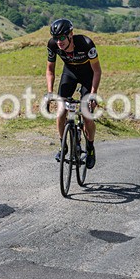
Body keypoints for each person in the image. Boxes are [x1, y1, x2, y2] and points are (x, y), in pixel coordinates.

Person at [44, 18, 101, 169]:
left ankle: (90, 148)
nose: (59, 42)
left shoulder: (86, 44)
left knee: (86, 113)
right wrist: (50, 93)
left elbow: (97, 71)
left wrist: (93, 94)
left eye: (62, 37)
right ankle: (63, 145)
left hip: (88, 75)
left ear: (71, 35)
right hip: (69, 73)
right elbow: (50, 70)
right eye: (56, 38)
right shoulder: (52, 45)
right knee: (61, 109)